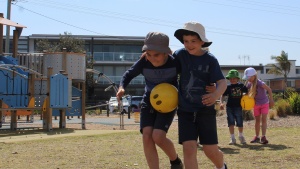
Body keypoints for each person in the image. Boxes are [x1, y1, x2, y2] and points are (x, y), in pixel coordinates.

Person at [116, 32, 183, 169]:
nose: (152, 59)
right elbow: (128, 74)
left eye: (156, 55)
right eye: (149, 54)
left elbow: (189, 76)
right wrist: (122, 87)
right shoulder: (143, 62)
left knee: (158, 136)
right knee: (147, 136)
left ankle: (175, 161)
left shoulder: (175, 63)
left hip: (168, 103)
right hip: (149, 100)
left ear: (166, 53)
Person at [173, 21, 228, 169]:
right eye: (186, 41)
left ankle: (222, 166)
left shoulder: (210, 59)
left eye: (193, 41)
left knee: (209, 150)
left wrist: (215, 94)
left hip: (205, 110)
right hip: (185, 110)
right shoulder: (179, 55)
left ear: (202, 41)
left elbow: (222, 83)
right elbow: (167, 67)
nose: (189, 44)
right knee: (189, 148)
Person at [243, 67, 274, 144]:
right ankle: (256, 137)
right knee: (257, 121)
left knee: (263, 119)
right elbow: (245, 93)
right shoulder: (249, 84)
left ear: (254, 76)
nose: (248, 79)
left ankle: (263, 137)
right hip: (256, 104)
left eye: (249, 77)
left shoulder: (260, 83)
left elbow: (269, 89)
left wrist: (271, 100)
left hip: (264, 103)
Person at [220, 69, 248, 145]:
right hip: (229, 107)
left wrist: (246, 96)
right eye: (231, 78)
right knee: (231, 122)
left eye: (234, 78)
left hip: (238, 107)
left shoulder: (241, 86)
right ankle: (232, 138)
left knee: (240, 122)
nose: (232, 80)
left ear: (237, 78)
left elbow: (247, 93)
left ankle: (241, 136)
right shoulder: (228, 87)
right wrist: (221, 103)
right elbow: (222, 95)